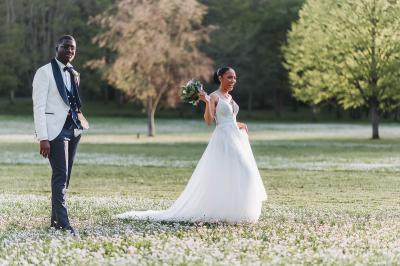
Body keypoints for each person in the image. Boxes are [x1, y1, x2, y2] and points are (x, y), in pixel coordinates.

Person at [115, 67, 267, 223]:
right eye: (229, 77)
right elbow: (210, 121)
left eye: (234, 78)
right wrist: (207, 102)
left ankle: (236, 211)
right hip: (224, 139)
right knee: (245, 171)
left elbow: (230, 118)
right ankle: (228, 211)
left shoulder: (229, 97)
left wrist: (240, 124)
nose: (233, 80)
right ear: (220, 78)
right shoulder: (214, 97)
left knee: (239, 173)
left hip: (236, 137)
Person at [32, 35, 85, 235]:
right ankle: (64, 224)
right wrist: (42, 137)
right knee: (60, 176)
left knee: (65, 177)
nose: (70, 51)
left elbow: (73, 102)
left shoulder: (74, 73)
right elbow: (39, 107)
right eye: (66, 47)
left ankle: (55, 221)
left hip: (72, 130)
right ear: (57, 48)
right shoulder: (43, 73)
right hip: (54, 132)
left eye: (73, 48)